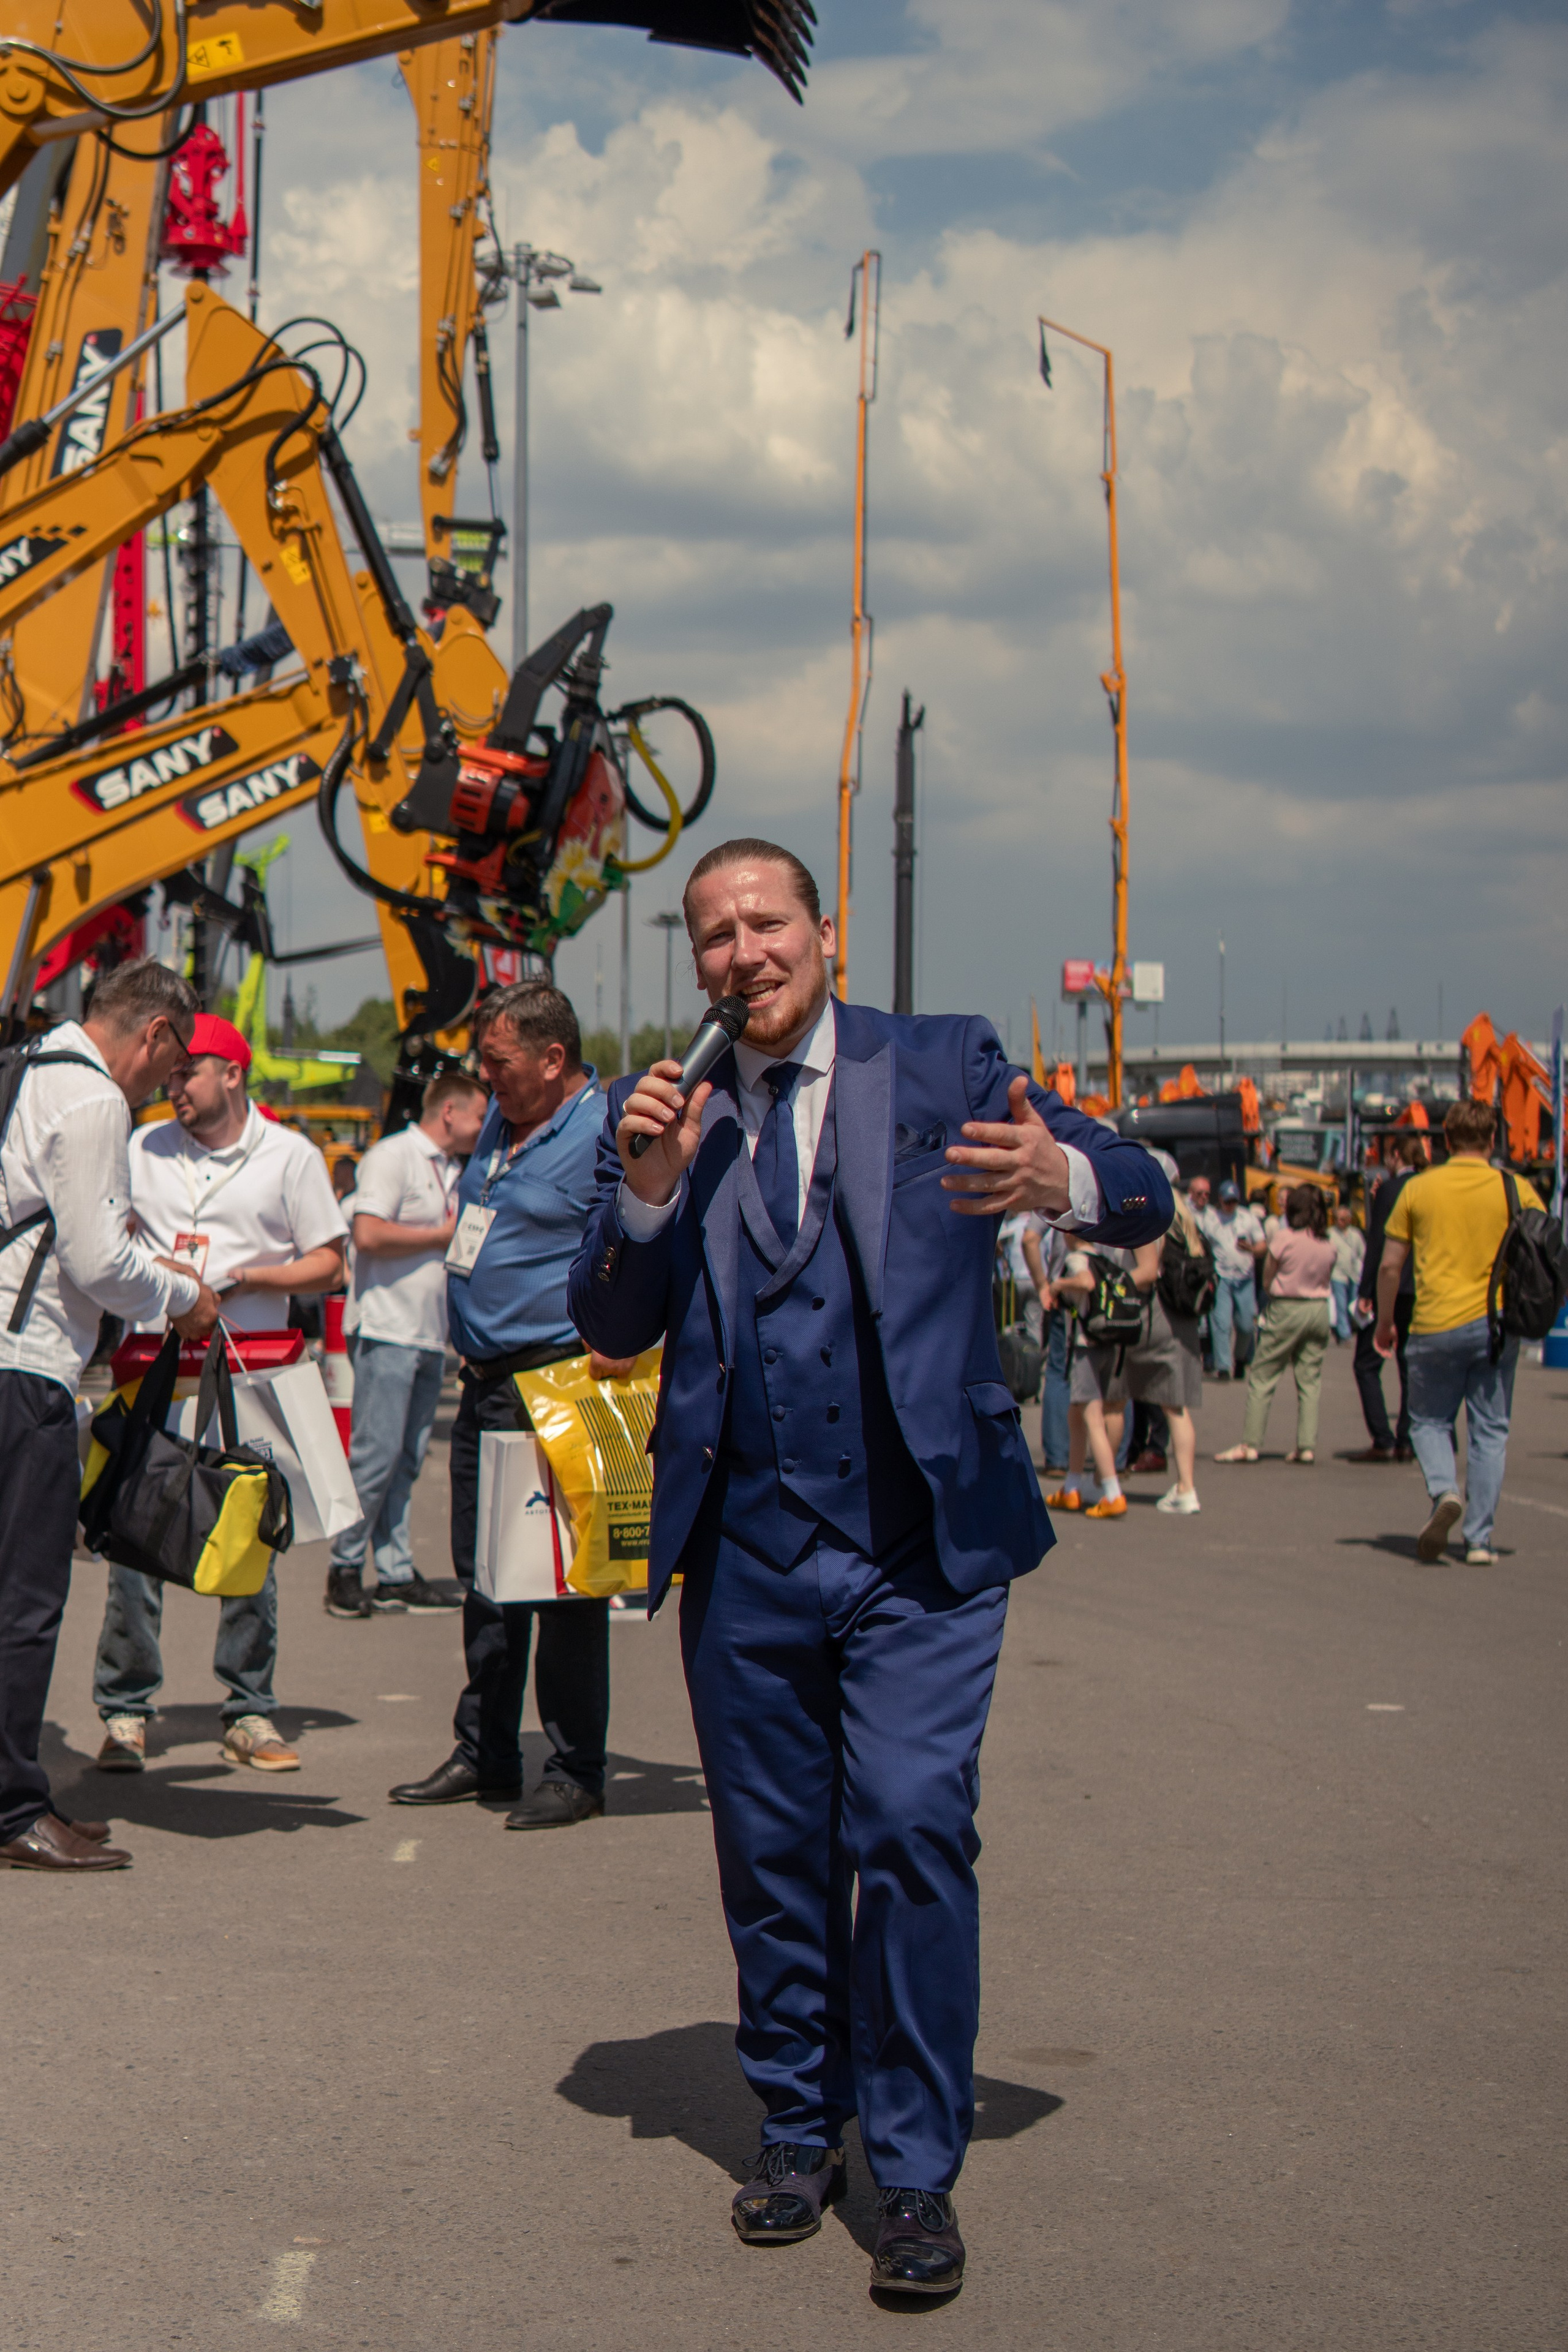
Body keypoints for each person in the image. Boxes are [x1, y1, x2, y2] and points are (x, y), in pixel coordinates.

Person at [568, 839, 1170, 2299]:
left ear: (822, 932)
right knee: (773, 1852)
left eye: (762, 922)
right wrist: (643, 1194)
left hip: (920, 1547)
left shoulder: (945, 1060)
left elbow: (1141, 1187)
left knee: (906, 1827)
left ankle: (909, 2164)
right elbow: (607, 1315)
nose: (739, 953)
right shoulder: (666, 1110)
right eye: (711, 934)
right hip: (747, 1547)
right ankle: (792, 2117)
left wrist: (1064, 1175)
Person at [0, 960, 219, 1872]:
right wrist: (180, 1294)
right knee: (26, 1601)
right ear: (157, 1033)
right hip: (27, 1370)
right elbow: (96, 1261)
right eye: (168, 1068)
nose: (164, 1088)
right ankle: (13, 1809)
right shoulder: (94, 1102)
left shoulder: (23, 1068)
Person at [390, 984, 622, 1830]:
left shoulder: (601, 1131)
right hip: (486, 1385)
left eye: (501, 1063)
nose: (485, 1082)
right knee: (486, 1578)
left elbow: (640, 1244)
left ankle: (576, 1767)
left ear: (554, 1060)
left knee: (560, 1587)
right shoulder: (503, 1123)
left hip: (553, 1385)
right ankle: (487, 1747)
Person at [92, 1014, 349, 1777]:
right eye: (168, 1074)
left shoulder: (291, 1158)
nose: (173, 1087)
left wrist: (246, 1279)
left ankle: (248, 1708)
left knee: (251, 1542)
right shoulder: (142, 1148)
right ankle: (125, 1710)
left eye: (186, 1073)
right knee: (134, 1538)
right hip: (155, 1368)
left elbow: (330, 1265)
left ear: (232, 1074)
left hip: (248, 1371)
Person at [324, 1071, 488, 1620]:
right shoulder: (394, 1157)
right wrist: (440, 1236)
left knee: (407, 1458)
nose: (483, 1126)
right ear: (449, 1113)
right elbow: (366, 1234)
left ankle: (393, 1569)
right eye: (478, 1116)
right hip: (388, 1328)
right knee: (375, 1456)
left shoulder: (452, 1169)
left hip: (427, 1332)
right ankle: (344, 1567)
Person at [1376, 1099, 1542, 1565]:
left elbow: (1391, 1266)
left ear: (1445, 1141)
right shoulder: (1518, 1190)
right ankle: (1480, 1540)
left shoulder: (1420, 1190)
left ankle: (1445, 1490)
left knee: (1427, 1420)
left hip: (1432, 1323)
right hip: (1495, 1325)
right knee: (1490, 1432)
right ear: (1492, 1141)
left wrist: (1386, 1324)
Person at [1215, 1185, 1335, 1464]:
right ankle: (1306, 1446)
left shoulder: (1285, 1238)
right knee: (1310, 1379)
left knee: (1263, 1375)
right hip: (1319, 1309)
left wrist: (1270, 1291)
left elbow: (1269, 1274)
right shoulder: (1326, 1243)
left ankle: (1250, 1443)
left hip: (1287, 1306)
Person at [1351, 1135, 1425, 1461]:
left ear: (1396, 1156)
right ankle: (1408, 1439)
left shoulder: (1391, 1190)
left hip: (1390, 1286)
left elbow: (1379, 1242)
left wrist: (1366, 1291)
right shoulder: (1430, 1186)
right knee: (1411, 1365)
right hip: (1422, 1287)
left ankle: (1383, 1438)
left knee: (1366, 1363)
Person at [1195, 1177, 1265, 1378]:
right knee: (1221, 1324)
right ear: (1220, 1200)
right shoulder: (1211, 1220)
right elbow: (1201, 1245)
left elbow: (1262, 1246)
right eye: (1227, 1201)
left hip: (1245, 1278)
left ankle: (1241, 1358)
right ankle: (1223, 1366)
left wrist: (1251, 1248)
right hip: (1222, 1278)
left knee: (1245, 1325)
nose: (1231, 1205)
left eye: (1234, 1201)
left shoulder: (1247, 1218)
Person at [1020, 1218, 1071, 1472]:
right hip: (1109, 1291)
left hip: (1066, 1292)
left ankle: (1059, 1458)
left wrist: (1043, 1285)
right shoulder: (1118, 1183)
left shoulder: (1064, 1183)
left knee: (1059, 1373)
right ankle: (1114, 1464)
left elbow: (1030, 1239)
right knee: (1112, 1378)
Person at [1329, 1203, 1364, 1343]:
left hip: (1354, 1275)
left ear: (1349, 1220)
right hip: (1337, 1275)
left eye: (1343, 1219)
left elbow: (1363, 1254)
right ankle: (1344, 1334)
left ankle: (1351, 1326)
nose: (1339, 1222)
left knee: (1352, 1304)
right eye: (1337, 1219)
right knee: (1341, 1304)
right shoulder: (1331, 1234)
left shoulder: (1355, 1235)